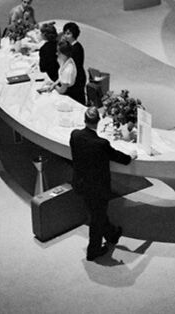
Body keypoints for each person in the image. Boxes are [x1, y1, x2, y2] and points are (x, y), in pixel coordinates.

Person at [69, 107, 137, 261]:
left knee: (96, 212)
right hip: (98, 188)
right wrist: (130, 156)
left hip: (80, 183)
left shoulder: (75, 135)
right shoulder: (101, 143)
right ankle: (93, 251)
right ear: (98, 122)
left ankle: (112, 234)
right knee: (97, 218)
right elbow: (121, 158)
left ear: (84, 120)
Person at [63, 21, 87, 105]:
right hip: (76, 76)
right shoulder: (71, 46)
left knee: (77, 101)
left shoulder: (76, 48)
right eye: (65, 33)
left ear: (74, 34)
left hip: (77, 78)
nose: (65, 36)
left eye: (68, 33)